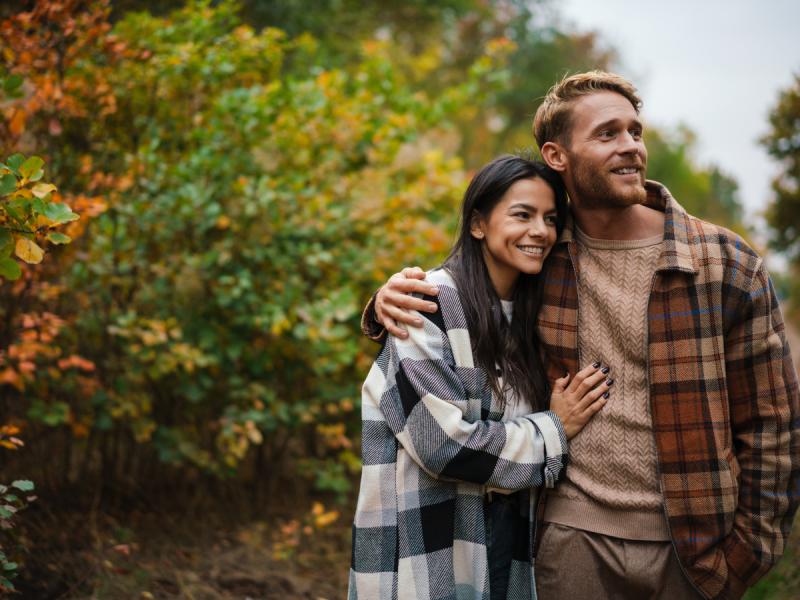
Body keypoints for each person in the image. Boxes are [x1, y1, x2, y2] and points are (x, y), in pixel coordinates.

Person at [364, 72, 800, 600]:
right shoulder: (542, 257)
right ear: (557, 154)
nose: (631, 147)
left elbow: (774, 424)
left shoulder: (725, 262)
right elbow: (468, 297)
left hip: (692, 549)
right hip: (568, 545)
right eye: (607, 133)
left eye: (636, 132)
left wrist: (746, 554)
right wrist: (384, 304)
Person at [348, 155, 614, 600]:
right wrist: (554, 429)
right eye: (522, 215)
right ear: (478, 224)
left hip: (505, 547)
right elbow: (443, 447)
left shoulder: (536, 316)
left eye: (550, 219)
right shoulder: (426, 307)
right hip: (425, 550)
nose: (540, 231)